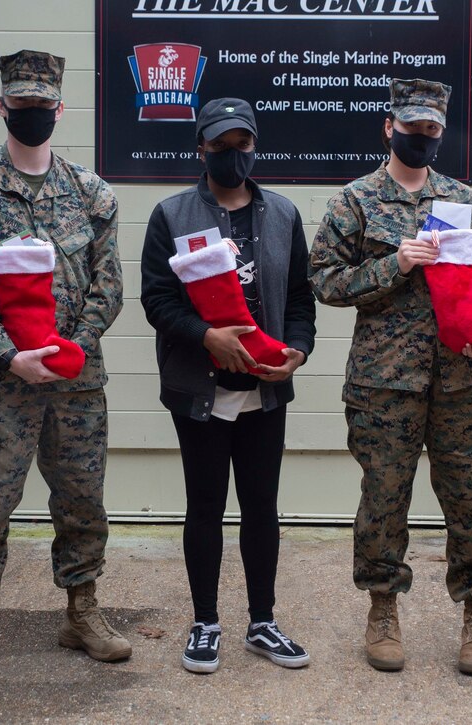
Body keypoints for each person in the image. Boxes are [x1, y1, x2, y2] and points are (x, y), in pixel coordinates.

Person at [0, 49, 129, 679]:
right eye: (20, 105)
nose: (32, 114)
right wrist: (9, 355)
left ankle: (82, 610)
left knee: (83, 498)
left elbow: (109, 286)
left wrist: (68, 351)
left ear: (59, 109)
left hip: (77, 382)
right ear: (2, 107)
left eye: (42, 106)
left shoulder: (91, 192)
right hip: (2, 383)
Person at [308, 79, 472, 675]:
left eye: (430, 130)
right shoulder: (356, 200)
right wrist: (393, 264)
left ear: (440, 133)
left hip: (463, 379)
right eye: (410, 126)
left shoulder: (464, 202)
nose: (419, 137)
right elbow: (323, 280)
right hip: (384, 381)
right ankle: (382, 607)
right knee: (384, 499)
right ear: (388, 127)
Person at [141, 98, 317, 674]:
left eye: (241, 144)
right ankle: (205, 623)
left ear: (255, 146)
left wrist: (298, 351)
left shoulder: (284, 214)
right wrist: (205, 335)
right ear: (201, 147)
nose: (232, 155)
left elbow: (298, 300)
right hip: (200, 387)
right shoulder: (171, 215)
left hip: (264, 387)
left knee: (262, 508)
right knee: (205, 506)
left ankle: (262, 622)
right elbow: (157, 300)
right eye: (220, 145)